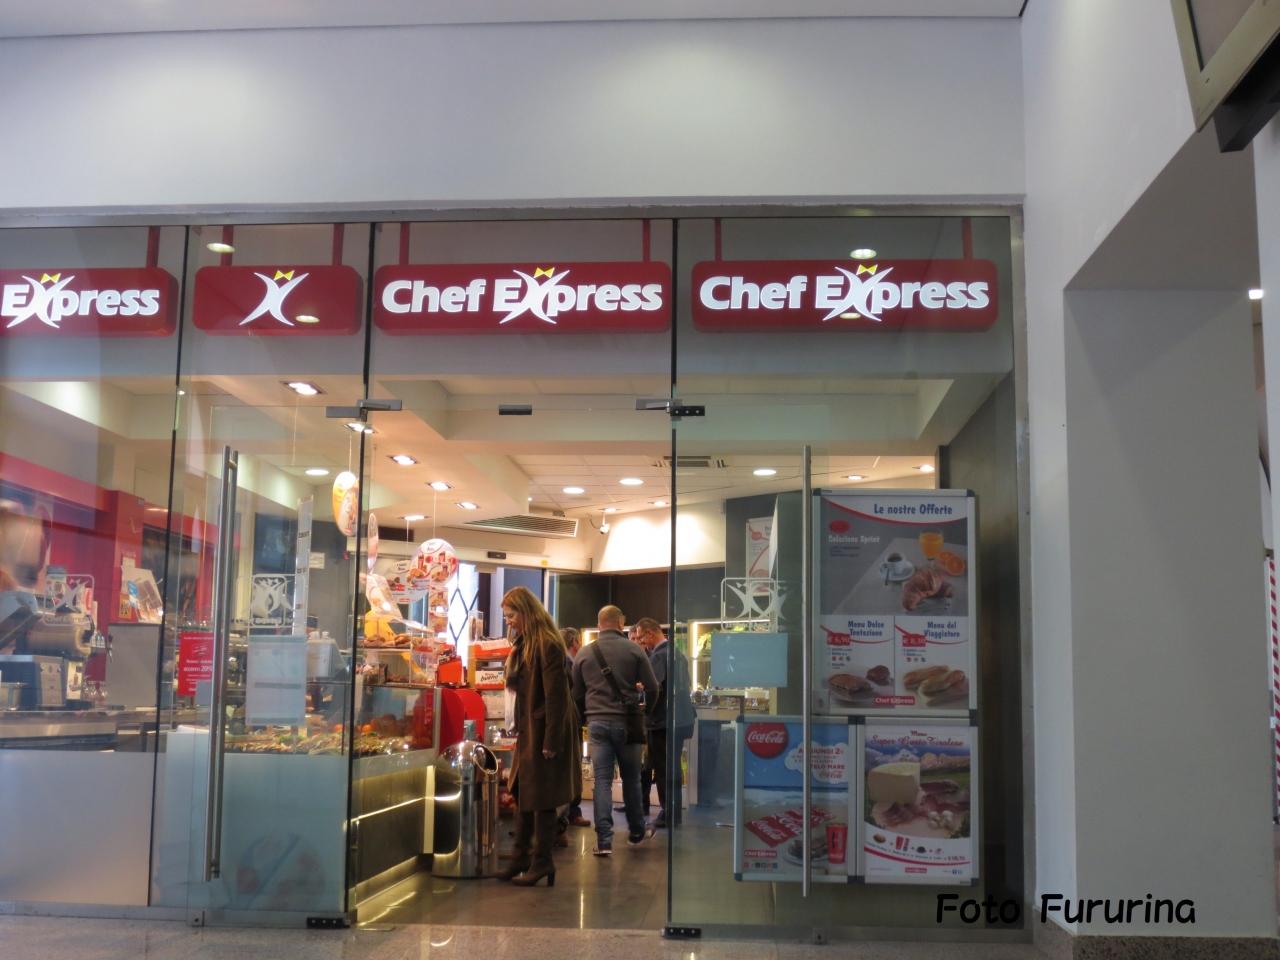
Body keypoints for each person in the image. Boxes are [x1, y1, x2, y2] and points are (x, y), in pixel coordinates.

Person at [495, 586, 579, 887]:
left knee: (542, 796)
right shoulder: (526, 642)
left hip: (544, 729)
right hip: (530, 728)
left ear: (526, 612)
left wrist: (551, 741)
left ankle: (541, 861)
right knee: (522, 789)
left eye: (511, 615)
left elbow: (556, 696)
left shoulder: (546, 643)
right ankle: (522, 857)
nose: (508, 621)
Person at [571, 604, 658, 856]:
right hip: (628, 723)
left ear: (599, 624)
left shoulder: (584, 653)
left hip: (597, 723)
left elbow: (576, 694)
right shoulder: (634, 650)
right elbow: (653, 688)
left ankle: (604, 841)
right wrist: (646, 712)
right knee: (631, 779)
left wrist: (586, 717)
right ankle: (636, 833)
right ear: (621, 623)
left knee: (602, 781)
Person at [634, 617, 695, 829]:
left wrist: (646, 706)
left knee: (663, 768)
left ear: (650, 634)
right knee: (674, 767)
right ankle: (674, 811)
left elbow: (653, 687)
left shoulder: (659, 656)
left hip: (662, 721)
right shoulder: (678, 654)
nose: (641, 642)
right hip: (681, 719)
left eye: (641, 637)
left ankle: (668, 812)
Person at [560, 627, 590, 829]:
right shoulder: (571, 664)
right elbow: (577, 693)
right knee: (572, 767)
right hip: (571, 721)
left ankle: (567, 812)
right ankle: (571, 812)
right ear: (575, 642)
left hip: (565, 722)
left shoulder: (562, 662)